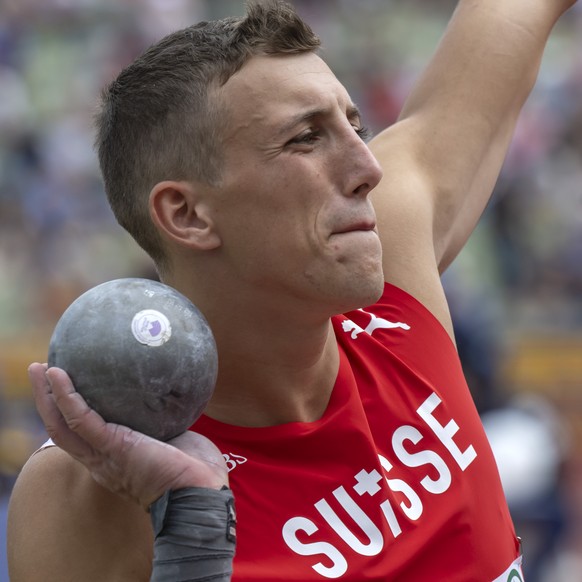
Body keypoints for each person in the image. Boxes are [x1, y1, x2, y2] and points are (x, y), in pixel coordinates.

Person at [7, 0, 578, 580]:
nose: (368, 168)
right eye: (306, 138)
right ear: (186, 214)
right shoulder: (94, 485)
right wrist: (195, 540)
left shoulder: (392, 282)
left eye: (354, 126)